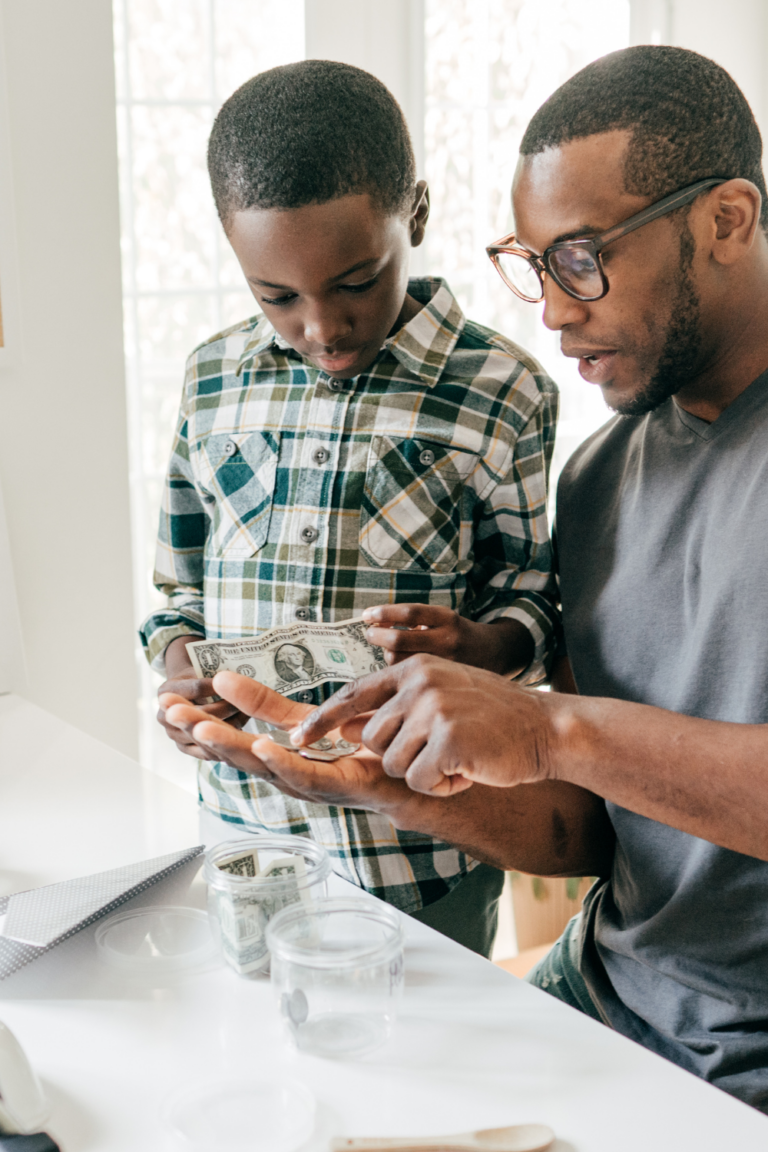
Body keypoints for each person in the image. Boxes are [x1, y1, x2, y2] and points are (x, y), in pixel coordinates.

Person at [161, 45, 768, 1112]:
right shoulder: (598, 481)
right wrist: (374, 780)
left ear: (726, 218)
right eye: (531, 266)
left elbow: (570, 746)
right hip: (601, 998)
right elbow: (588, 831)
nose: (552, 310)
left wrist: (545, 727)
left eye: (581, 259)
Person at [141, 60, 560, 957]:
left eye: (357, 281)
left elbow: (536, 603)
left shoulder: (503, 392)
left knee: (425, 1074)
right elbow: (175, 589)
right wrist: (183, 673)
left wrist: (483, 646)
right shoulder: (212, 381)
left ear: (414, 214)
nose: (323, 326)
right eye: (277, 297)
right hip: (245, 833)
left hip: (419, 855)